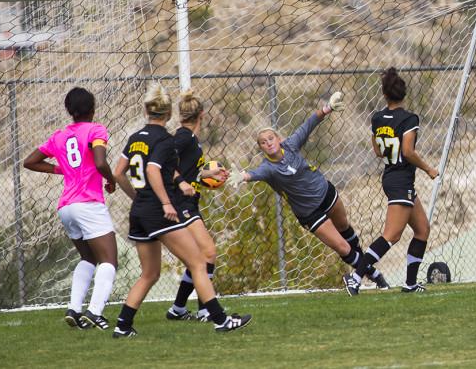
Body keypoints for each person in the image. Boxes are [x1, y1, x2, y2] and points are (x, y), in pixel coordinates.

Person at [112, 83, 251, 337]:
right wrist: (165, 202)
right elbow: (153, 170)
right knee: (199, 262)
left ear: (147, 111)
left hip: (140, 211)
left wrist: (137, 196)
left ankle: (122, 326)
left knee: (150, 273)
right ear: (168, 114)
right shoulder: (165, 139)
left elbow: (118, 173)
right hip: (158, 211)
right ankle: (221, 320)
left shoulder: (135, 138)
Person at [227, 92, 389, 289]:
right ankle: (375, 276)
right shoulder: (267, 168)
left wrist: (327, 108)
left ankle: (362, 274)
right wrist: (240, 176)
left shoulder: (291, 145)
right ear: (261, 148)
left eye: (270, 138)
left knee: (345, 227)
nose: (268, 143)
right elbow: (252, 174)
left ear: (279, 139)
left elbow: (309, 124)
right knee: (342, 247)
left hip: (325, 192)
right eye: (263, 142)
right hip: (309, 212)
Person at [23, 87, 118, 330]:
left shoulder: (59, 136)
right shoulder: (96, 130)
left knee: (88, 257)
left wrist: (58, 169)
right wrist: (111, 179)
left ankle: (74, 310)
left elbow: (30, 161)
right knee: (109, 260)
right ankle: (95, 312)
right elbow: (99, 161)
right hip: (88, 203)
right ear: (93, 108)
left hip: (66, 206)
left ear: (69, 111)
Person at [342, 67, 439, 296]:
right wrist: (428, 169)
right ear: (403, 94)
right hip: (401, 180)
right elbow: (408, 151)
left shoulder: (377, 118)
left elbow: (377, 150)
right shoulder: (409, 119)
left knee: (422, 229)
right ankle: (356, 277)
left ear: (385, 95)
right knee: (392, 235)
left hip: (391, 177)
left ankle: (410, 284)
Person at [165, 89, 229, 322]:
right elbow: (162, 163)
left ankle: (178, 309)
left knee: (199, 258)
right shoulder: (183, 138)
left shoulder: (190, 139)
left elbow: (186, 171)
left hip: (188, 202)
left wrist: (207, 174)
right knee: (208, 253)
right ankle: (205, 310)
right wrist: (181, 182)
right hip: (181, 204)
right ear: (202, 114)